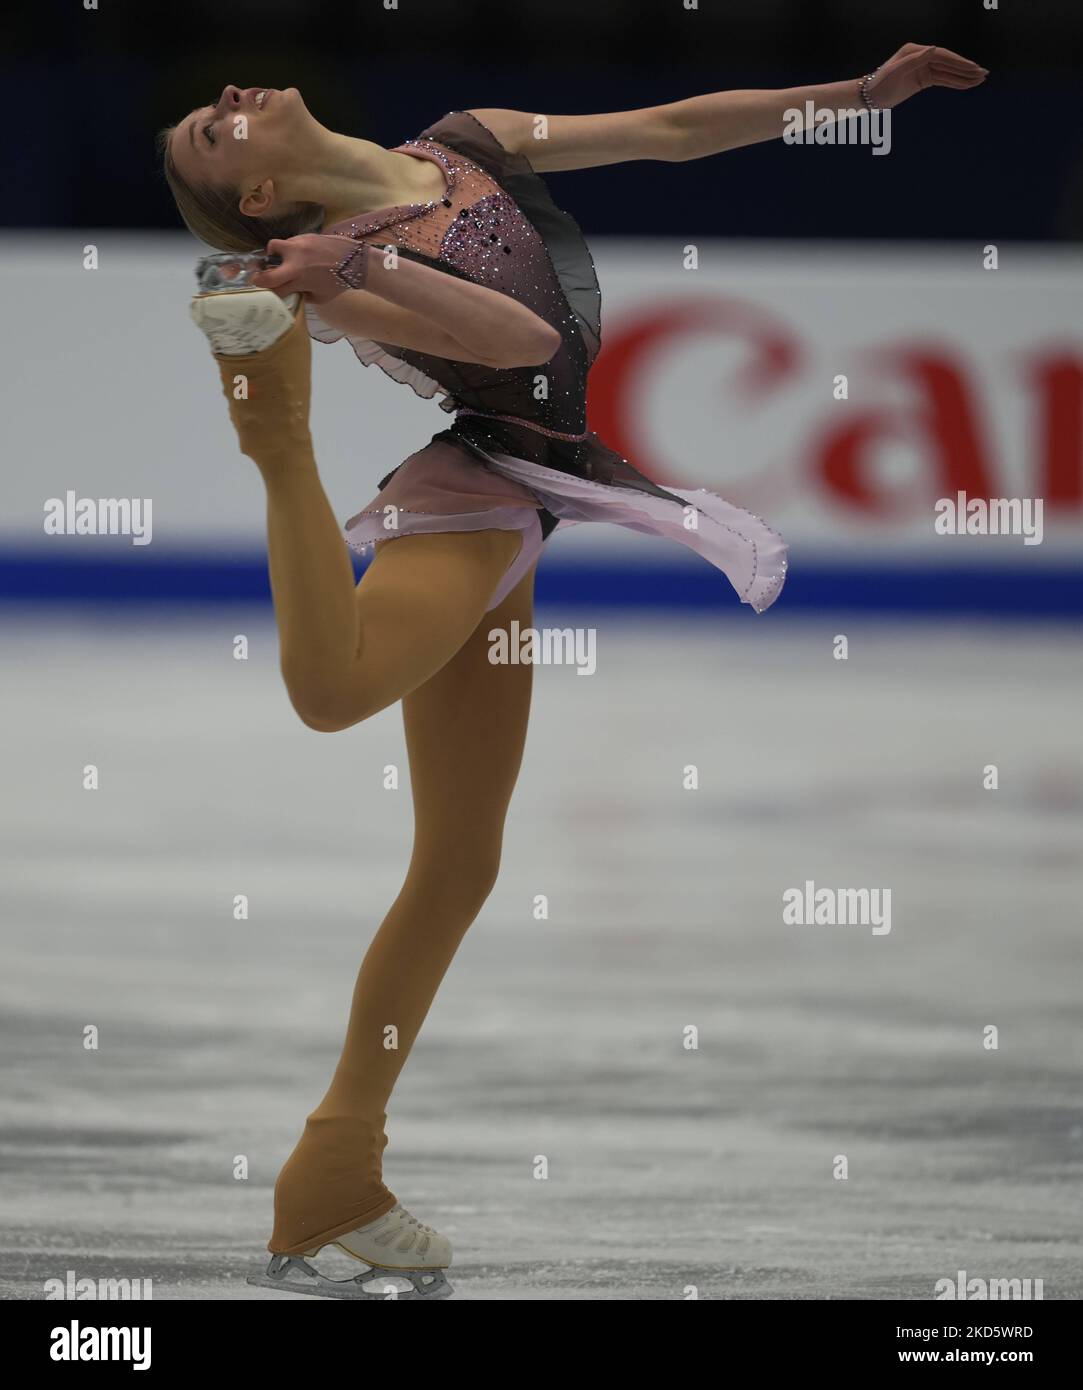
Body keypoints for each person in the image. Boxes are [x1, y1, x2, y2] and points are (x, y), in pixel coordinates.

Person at [160, 44, 986, 1299]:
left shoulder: (468, 142)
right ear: (261, 204)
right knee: (334, 693)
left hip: (523, 499)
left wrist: (849, 102)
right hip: (474, 499)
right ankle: (277, 444)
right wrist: (354, 270)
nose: (227, 103)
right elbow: (519, 331)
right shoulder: (335, 274)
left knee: (459, 859)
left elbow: (664, 129)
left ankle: (339, 1171)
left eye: (215, 107)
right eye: (212, 140)